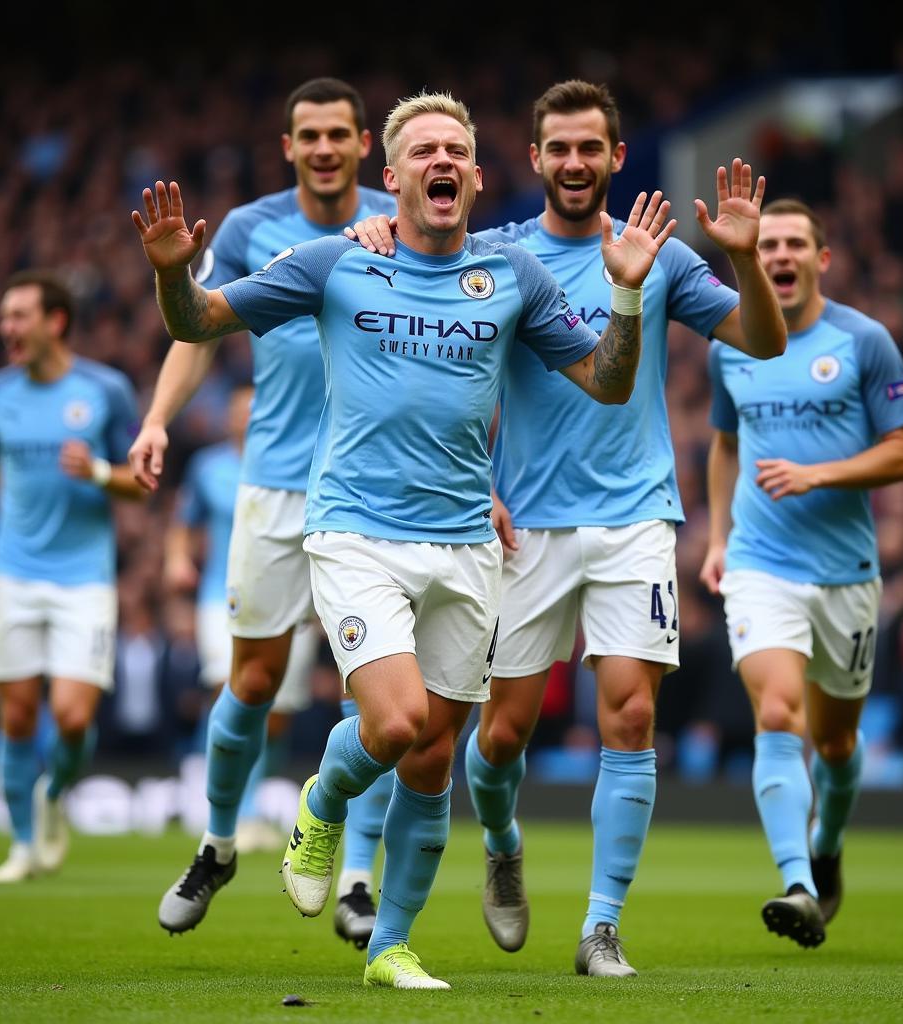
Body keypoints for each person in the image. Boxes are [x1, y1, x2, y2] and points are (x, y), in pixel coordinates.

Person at [132, 91, 673, 989]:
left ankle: (391, 945)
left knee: (431, 763)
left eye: (455, 149)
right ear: (393, 180)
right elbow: (201, 322)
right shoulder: (332, 264)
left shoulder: (510, 277)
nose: (441, 161)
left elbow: (607, 384)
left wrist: (623, 291)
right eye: (422, 151)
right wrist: (167, 276)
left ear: (475, 172)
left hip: (466, 545)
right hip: (355, 533)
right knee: (392, 722)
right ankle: (321, 800)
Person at [348, 80, 786, 977]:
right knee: (499, 736)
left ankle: (600, 926)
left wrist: (744, 259)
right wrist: (375, 233)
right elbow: (432, 339)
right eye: (561, 148)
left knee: (630, 716)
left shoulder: (654, 256)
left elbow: (763, 341)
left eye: (593, 148)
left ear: (617, 158)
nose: (577, 162)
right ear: (536, 156)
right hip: (524, 530)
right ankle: (503, 842)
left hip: (636, 518)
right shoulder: (497, 255)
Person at [129, 78, 398, 944]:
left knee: (379, 692)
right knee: (250, 681)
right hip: (276, 486)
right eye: (308, 135)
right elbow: (199, 329)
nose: (323, 148)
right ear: (288, 146)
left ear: (364, 143)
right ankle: (216, 844)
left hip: (379, 489)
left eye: (338, 134)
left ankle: (358, 877)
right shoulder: (250, 228)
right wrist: (157, 420)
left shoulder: (407, 221)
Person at [700, 198, 903, 947]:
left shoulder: (864, 341)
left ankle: (827, 846)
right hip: (763, 564)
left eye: (795, 243)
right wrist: (719, 538)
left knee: (834, 743)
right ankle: (796, 880)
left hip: (847, 575)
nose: (781, 255)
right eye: (768, 245)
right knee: (775, 715)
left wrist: (819, 473)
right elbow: (724, 446)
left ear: (821, 259)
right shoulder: (730, 342)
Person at [0, 270, 142, 882]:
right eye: (5, 316)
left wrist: (101, 473)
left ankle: (55, 796)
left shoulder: (106, 390)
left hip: (85, 579)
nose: (7, 327)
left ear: (56, 322)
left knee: (74, 717)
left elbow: (141, 481)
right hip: (14, 575)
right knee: (17, 717)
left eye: (19, 315)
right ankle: (24, 844)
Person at [165, 383, 306, 852]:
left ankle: (252, 801)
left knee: (277, 713)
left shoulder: (297, 463)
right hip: (219, 596)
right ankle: (232, 811)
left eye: (253, 410)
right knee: (230, 691)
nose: (245, 419)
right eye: (238, 411)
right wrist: (178, 560)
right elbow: (184, 522)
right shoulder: (209, 467)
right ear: (228, 419)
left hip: (288, 594)